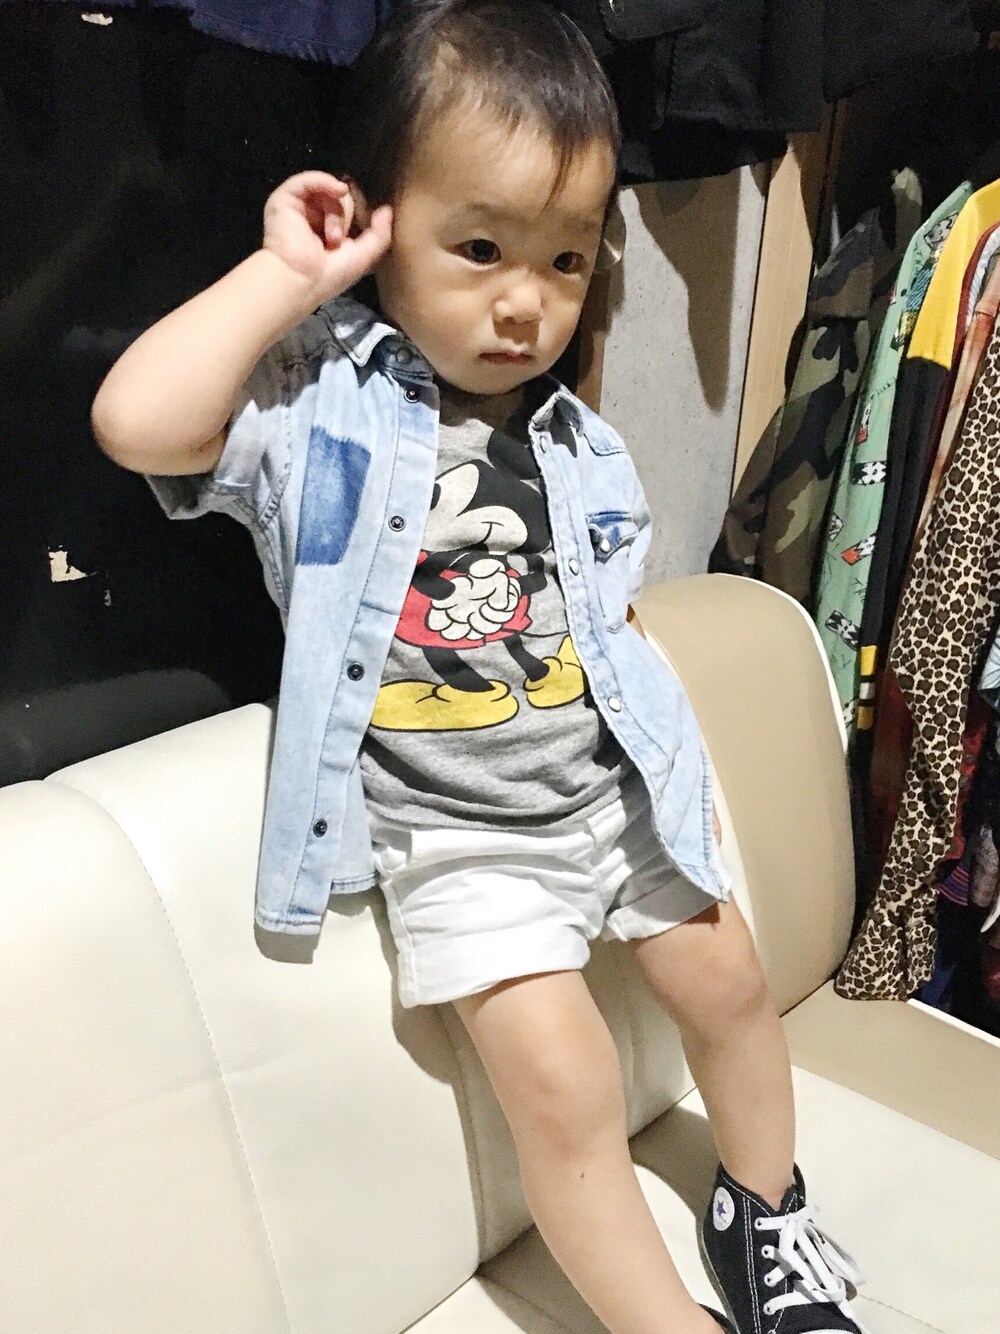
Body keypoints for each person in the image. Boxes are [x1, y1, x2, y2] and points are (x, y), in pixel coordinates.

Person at [92, 3, 865, 1331]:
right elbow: (135, 420)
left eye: (566, 258)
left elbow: (606, 631)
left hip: (616, 799)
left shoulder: (578, 443)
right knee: (563, 1085)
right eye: (481, 248)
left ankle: (765, 1205)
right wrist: (288, 274)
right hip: (463, 843)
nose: (526, 301)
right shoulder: (319, 406)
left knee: (733, 986)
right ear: (380, 220)